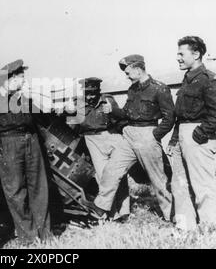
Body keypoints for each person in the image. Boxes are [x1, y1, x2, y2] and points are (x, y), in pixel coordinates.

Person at [96, 54, 174, 221]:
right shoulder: (132, 89)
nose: (126, 75)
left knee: (158, 180)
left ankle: (171, 215)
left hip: (147, 134)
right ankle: (100, 210)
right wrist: (112, 111)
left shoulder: (159, 88)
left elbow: (169, 118)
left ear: (138, 70)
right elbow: (126, 113)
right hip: (129, 135)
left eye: (128, 71)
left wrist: (154, 136)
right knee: (111, 170)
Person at [0, 59, 51, 245]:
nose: (23, 82)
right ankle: (29, 237)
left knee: (39, 187)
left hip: (31, 140)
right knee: (15, 191)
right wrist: (0, 149)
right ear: (9, 79)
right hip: (9, 144)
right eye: (21, 78)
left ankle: (45, 234)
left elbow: (39, 117)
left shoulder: (23, 98)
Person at [167, 36, 216, 228]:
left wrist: (199, 134)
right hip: (181, 135)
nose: (177, 57)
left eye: (181, 53)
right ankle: (186, 226)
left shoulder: (209, 79)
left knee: (203, 183)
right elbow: (181, 115)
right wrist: (174, 140)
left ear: (196, 54)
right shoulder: (187, 79)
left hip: (197, 135)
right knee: (179, 184)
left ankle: (211, 227)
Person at [72, 77, 130, 220]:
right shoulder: (77, 104)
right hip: (92, 139)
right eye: (88, 93)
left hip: (112, 136)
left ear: (99, 91)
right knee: (103, 176)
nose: (91, 97)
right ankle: (112, 213)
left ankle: (124, 212)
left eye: (93, 93)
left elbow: (122, 118)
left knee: (119, 173)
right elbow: (73, 127)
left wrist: (113, 111)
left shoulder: (108, 99)